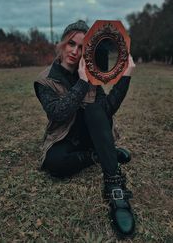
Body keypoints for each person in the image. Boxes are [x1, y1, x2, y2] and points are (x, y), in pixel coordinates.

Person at [34, 20, 136, 238]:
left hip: (92, 133)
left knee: (94, 110)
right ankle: (100, 154)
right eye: (71, 43)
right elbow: (58, 113)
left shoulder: (92, 74)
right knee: (54, 163)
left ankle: (114, 187)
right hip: (65, 137)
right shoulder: (45, 80)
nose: (75, 51)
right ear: (62, 44)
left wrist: (125, 77)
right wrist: (82, 83)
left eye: (81, 47)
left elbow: (106, 111)